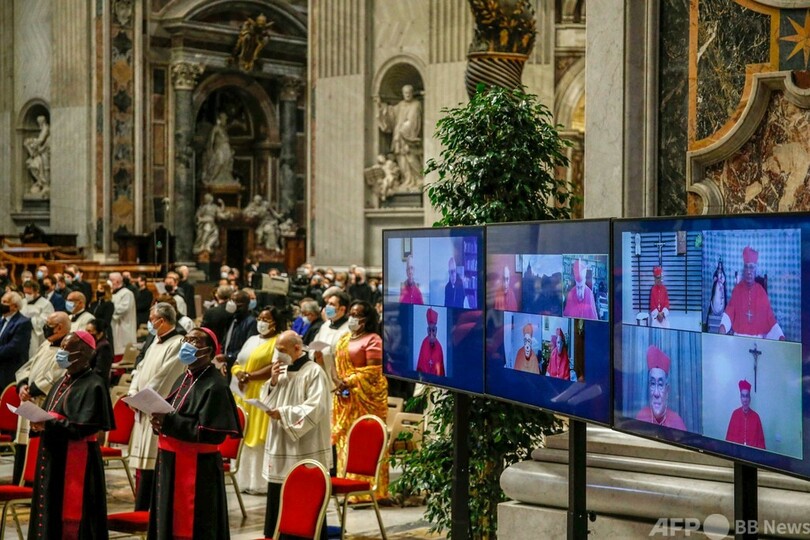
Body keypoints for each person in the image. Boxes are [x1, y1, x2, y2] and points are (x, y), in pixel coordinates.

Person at [148, 327, 242, 539]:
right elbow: (172, 413)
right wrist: (159, 423)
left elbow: (213, 434)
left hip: (198, 468)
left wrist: (169, 422)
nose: (188, 345)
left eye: (195, 342)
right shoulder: (184, 378)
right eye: (187, 340)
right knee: (166, 519)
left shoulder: (216, 385)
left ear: (209, 351)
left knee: (197, 526)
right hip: (170, 461)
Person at [28, 330, 113, 539]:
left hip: (77, 460)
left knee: (73, 520)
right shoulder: (60, 382)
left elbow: (83, 428)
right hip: (53, 457)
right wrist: (38, 424)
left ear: (82, 354)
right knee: (49, 510)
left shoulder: (94, 385)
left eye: (66, 349)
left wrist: (48, 423)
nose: (61, 353)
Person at [260, 330, 332, 540]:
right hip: (280, 441)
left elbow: (316, 407)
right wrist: (273, 382)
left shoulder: (314, 372)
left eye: (282, 350)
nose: (278, 354)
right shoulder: (281, 371)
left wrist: (283, 413)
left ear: (297, 348)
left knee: (304, 498)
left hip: (304, 444)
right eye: (276, 349)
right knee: (278, 494)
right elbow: (267, 398)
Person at [127, 303, 184, 510]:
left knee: (152, 464)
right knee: (142, 465)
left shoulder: (177, 343)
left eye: (152, 320)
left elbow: (165, 377)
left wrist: (143, 399)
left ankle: (149, 511)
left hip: (156, 409)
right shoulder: (154, 342)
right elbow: (140, 368)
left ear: (162, 320)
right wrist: (133, 392)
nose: (150, 324)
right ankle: (140, 508)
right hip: (142, 407)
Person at [231, 306, 283, 494]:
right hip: (242, 392)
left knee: (258, 437)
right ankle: (242, 480)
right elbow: (238, 362)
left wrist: (250, 376)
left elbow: (274, 366)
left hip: (261, 393)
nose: (261, 322)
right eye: (260, 318)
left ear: (274, 322)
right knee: (243, 435)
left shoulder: (278, 342)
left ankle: (258, 483)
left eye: (266, 319)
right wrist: (239, 373)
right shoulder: (252, 339)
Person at [13, 311, 70, 484]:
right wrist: (22, 386)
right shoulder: (46, 344)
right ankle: (19, 485)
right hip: (29, 401)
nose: (45, 328)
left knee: (38, 448)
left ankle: (34, 487)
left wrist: (31, 391)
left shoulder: (67, 348)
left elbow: (57, 376)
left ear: (59, 327)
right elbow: (27, 367)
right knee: (23, 447)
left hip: (44, 404)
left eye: (48, 325)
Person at [719, 247, 784, 340]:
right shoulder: (737, 290)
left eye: (751, 267)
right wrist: (722, 328)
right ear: (743, 269)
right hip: (739, 339)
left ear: (755, 269)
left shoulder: (761, 292)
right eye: (746, 267)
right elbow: (729, 313)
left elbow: (770, 319)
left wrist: (780, 336)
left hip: (757, 342)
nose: (749, 271)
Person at [375, 85, 423, 190]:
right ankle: (407, 180)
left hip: (409, 137)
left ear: (412, 93)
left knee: (411, 158)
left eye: (409, 92)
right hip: (398, 137)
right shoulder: (401, 105)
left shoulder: (416, 104)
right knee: (401, 159)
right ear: (402, 94)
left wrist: (404, 130)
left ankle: (418, 179)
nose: (407, 94)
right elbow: (391, 113)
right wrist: (381, 105)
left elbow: (413, 121)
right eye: (405, 93)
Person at [635, 345, 686, 429]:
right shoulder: (641, 416)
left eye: (660, 384)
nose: (656, 393)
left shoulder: (677, 422)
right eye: (652, 383)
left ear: (667, 390)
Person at [311, 291, 352, 390]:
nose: (327, 307)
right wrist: (316, 356)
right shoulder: (325, 325)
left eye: (332, 304)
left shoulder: (348, 330)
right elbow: (314, 346)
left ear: (342, 309)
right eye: (327, 303)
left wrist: (326, 357)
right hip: (320, 373)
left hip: (338, 377)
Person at [218, 290, 258, 376]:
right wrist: (224, 362)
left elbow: (248, 349)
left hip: (241, 367)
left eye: (234, 301)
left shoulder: (251, 322)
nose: (230, 303)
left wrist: (228, 357)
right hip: (228, 364)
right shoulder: (232, 319)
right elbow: (226, 341)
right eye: (230, 300)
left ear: (243, 305)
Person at [0, 292, 32, 390]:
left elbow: (14, 348)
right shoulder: (2, 319)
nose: (2, 304)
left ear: (15, 307)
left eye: (5, 302)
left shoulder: (23, 323)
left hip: (9, 369)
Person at [725, 379, 766, 449]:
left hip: (751, 453)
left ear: (750, 398)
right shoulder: (735, 414)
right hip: (737, 452)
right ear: (740, 398)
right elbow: (729, 439)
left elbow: (761, 443)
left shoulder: (756, 417)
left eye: (747, 396)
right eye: (743, 396)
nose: (745, 400)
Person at [21, 279, 55, 358]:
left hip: (36, 335)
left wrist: (27, 321)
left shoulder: (46, 304)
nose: (27, 295)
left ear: (36, 291)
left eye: (29, 293)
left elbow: (45, 320)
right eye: (25, 293)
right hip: (22, 334)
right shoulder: (22, 302)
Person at [202, 112, 236, 185]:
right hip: (220, 148)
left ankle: (224, 179)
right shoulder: (216, 128)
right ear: (220, 119)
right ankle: (212, 178)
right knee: (220, 162)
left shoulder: (224, 130)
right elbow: (211, 140)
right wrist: (210, 149)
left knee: (227, 164)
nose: (225, 121)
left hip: (226, 149)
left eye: (225, 119)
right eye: (224, 119)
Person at [110, 272, 137, 362]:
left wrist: (109, 307)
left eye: (111, 280)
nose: (109, 282)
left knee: (121, 353)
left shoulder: (127, 293)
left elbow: (122, 309)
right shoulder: (113, 293)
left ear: (117, 281)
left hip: (123, 327)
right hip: (114, 326)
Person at [416, 308, 444, 376]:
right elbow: (420, 365)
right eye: (429, 330)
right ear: (427, 330)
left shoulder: (439, 347)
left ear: (436, 330)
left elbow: (440, 370)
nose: (431, 334)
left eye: (433, 330)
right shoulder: (424, 343)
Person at [86, 318, 114, 384]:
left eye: (89, 331)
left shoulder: (104, 347)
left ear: (100, 333)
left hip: (96, 384)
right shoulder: (91, 345)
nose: (87, 333)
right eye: (86, 331)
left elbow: (100, 371)